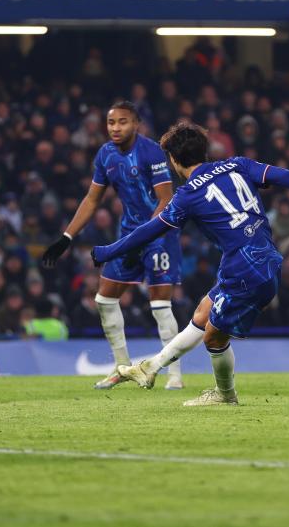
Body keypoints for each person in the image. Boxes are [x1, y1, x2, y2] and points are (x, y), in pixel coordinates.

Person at [92, 121, 289, 405]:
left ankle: (225, 395)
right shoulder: (237, 165)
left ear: (175, 159)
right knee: (203, 314)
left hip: (244, 268)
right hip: (264, 258)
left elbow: (150, 230)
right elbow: (287, 176)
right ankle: (150, 368)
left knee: (214, 339)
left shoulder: (187, 194)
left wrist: (109, 251)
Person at [41, 101, 185, 390]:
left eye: (122, 122)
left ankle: (174, 376)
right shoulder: (106, 155)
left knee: (160, 305)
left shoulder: (151, 152)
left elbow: (165, 200)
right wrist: (66, 237)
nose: (115, 128)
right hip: (129, 233)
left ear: (136, 124)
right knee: (104, 300)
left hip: (159, 235)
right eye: (111, 123)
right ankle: (122, 368)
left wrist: (143, 238)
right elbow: (92, 200)